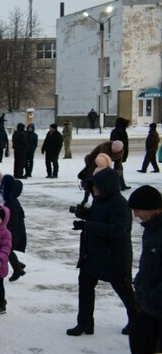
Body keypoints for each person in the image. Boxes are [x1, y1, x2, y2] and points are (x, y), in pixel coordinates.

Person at [67, 166, 137, 336]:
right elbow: (97, 217)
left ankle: (136, 322)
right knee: (85, 288)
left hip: (114, 257)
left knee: (126, 292)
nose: (94, 190)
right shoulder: (99, 200)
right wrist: (84, 214)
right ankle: (84, 323)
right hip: (92, 254)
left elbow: (117, 229)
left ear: (108, 186)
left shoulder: (120, 205)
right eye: (92, 187)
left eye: (97, 187)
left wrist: (87, 225)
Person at [127, 185, 162, 353]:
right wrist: (140, 281)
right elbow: (148, 263)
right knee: (138, 340)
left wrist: (154, 295)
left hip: (157, 303)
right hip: (148, 303)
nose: (135, 215)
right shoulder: (150, 229)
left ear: (154, 209)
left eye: (138, 210)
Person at [111, 117, 131, 191]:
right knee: (118, 168)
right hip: (120, 152)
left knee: (118, 168)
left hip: (115, 151)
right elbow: (125, 144)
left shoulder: (114, 131)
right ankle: (119, 184)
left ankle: (121, 184)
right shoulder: (122, 132)